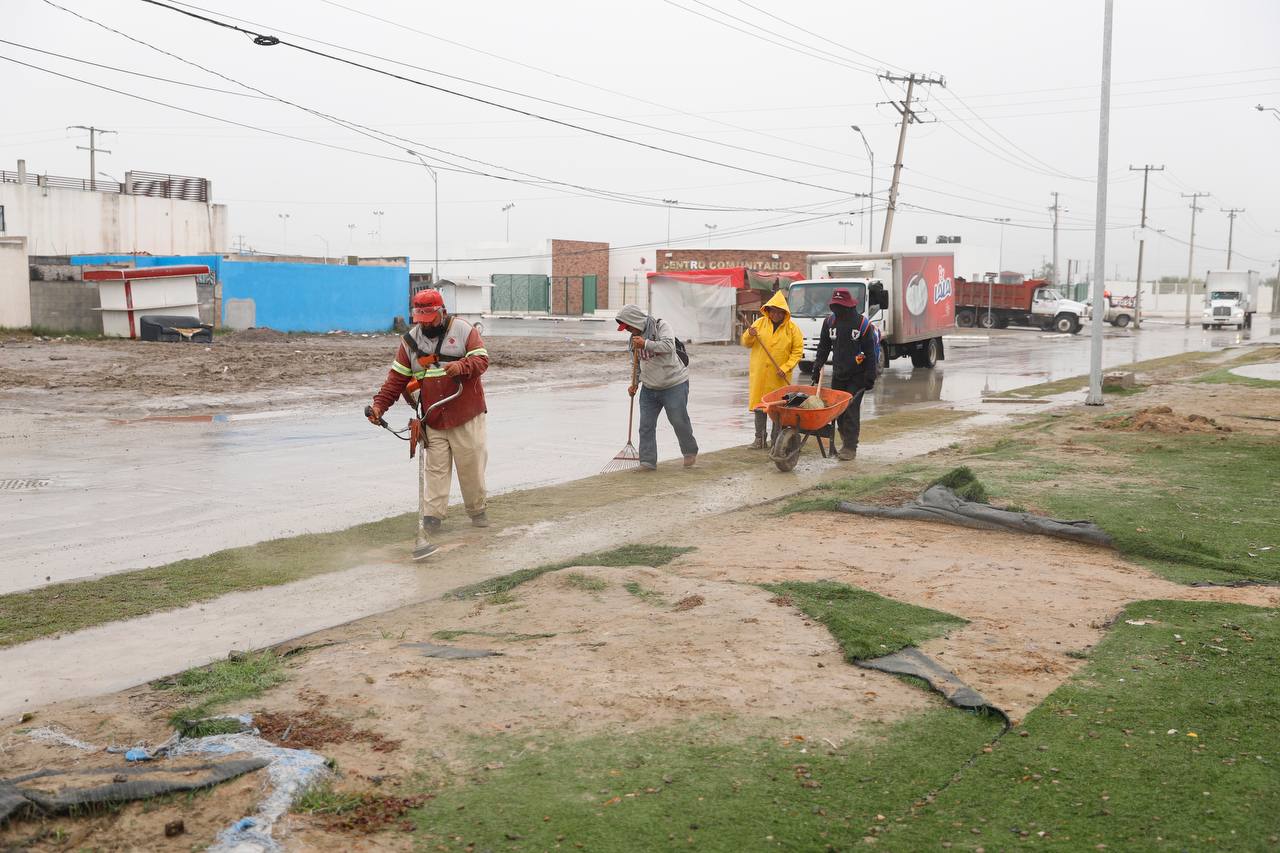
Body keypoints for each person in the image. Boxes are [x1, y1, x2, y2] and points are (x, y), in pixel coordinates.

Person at [368, 288, 490, 560]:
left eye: (429, 318)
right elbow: (396, 380)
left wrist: (462, 366)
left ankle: (477, 511)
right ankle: (432, 519)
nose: (425, 324)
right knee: (434, 469)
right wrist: (378, 406)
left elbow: (482, 360)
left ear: (442, 312)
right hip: (432, 416)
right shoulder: (409, 342)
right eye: (420, 319)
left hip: (465, 412)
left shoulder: (464, 330)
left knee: (470, 467)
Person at [615, 304, 698, 471]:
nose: (628, 331)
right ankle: (647, 461)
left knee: (678, 420)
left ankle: (689, 451)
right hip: (649, 387)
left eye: (629, 326)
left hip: (674, 383)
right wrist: (634, 384)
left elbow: (669, 347)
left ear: (635, 321)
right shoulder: (633, 340)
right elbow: (636, 364)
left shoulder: (661, 326)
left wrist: (646, 343)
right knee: (646, 425)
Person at [810, 288, 877, 461]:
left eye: (840, 306)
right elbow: (823, 347)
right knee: (838, 412)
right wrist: (817, 367)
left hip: (858, 375)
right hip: (838, 374)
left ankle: (850, 447)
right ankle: (844, 441)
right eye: (835, 306)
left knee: (851, 411)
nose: (837, 310)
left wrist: (870, 376)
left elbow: (870, 352)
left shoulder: (863, 325)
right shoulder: (829, 323)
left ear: (848, 306)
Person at [741, 290, 804, 449]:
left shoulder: (792, 329)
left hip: (779, 376)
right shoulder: (759, 324)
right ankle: (759, 440)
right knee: (760, 407)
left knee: (777, 409)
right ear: (767, 310)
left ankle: (777, 440)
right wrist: (750, 334)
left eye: (779, 311)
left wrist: (786, 367)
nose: (775, 314)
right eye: (773, 311)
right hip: (760, 375)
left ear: (785, 313)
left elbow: (797, 352)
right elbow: (746, 343)